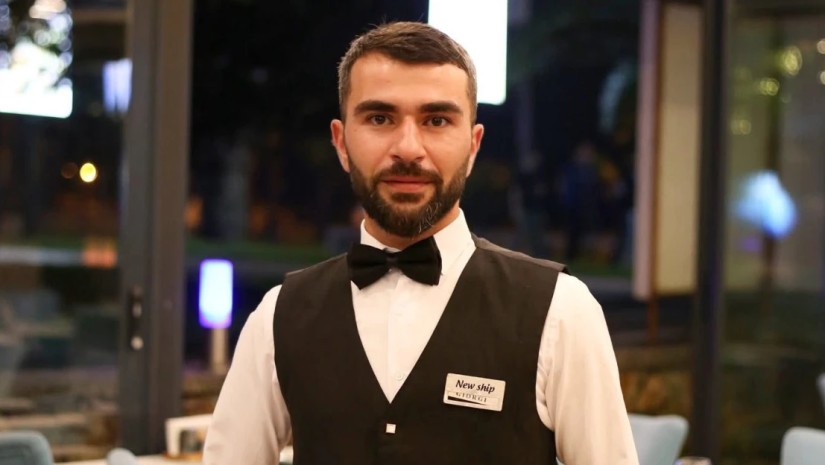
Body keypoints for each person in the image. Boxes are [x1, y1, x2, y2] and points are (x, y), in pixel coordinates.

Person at [203, 21, 638, 465]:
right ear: (341, 142)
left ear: (473, 146)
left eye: (436, 120)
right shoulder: (278, 316)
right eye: (379, 118)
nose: (408, 148)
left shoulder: (561, 311)